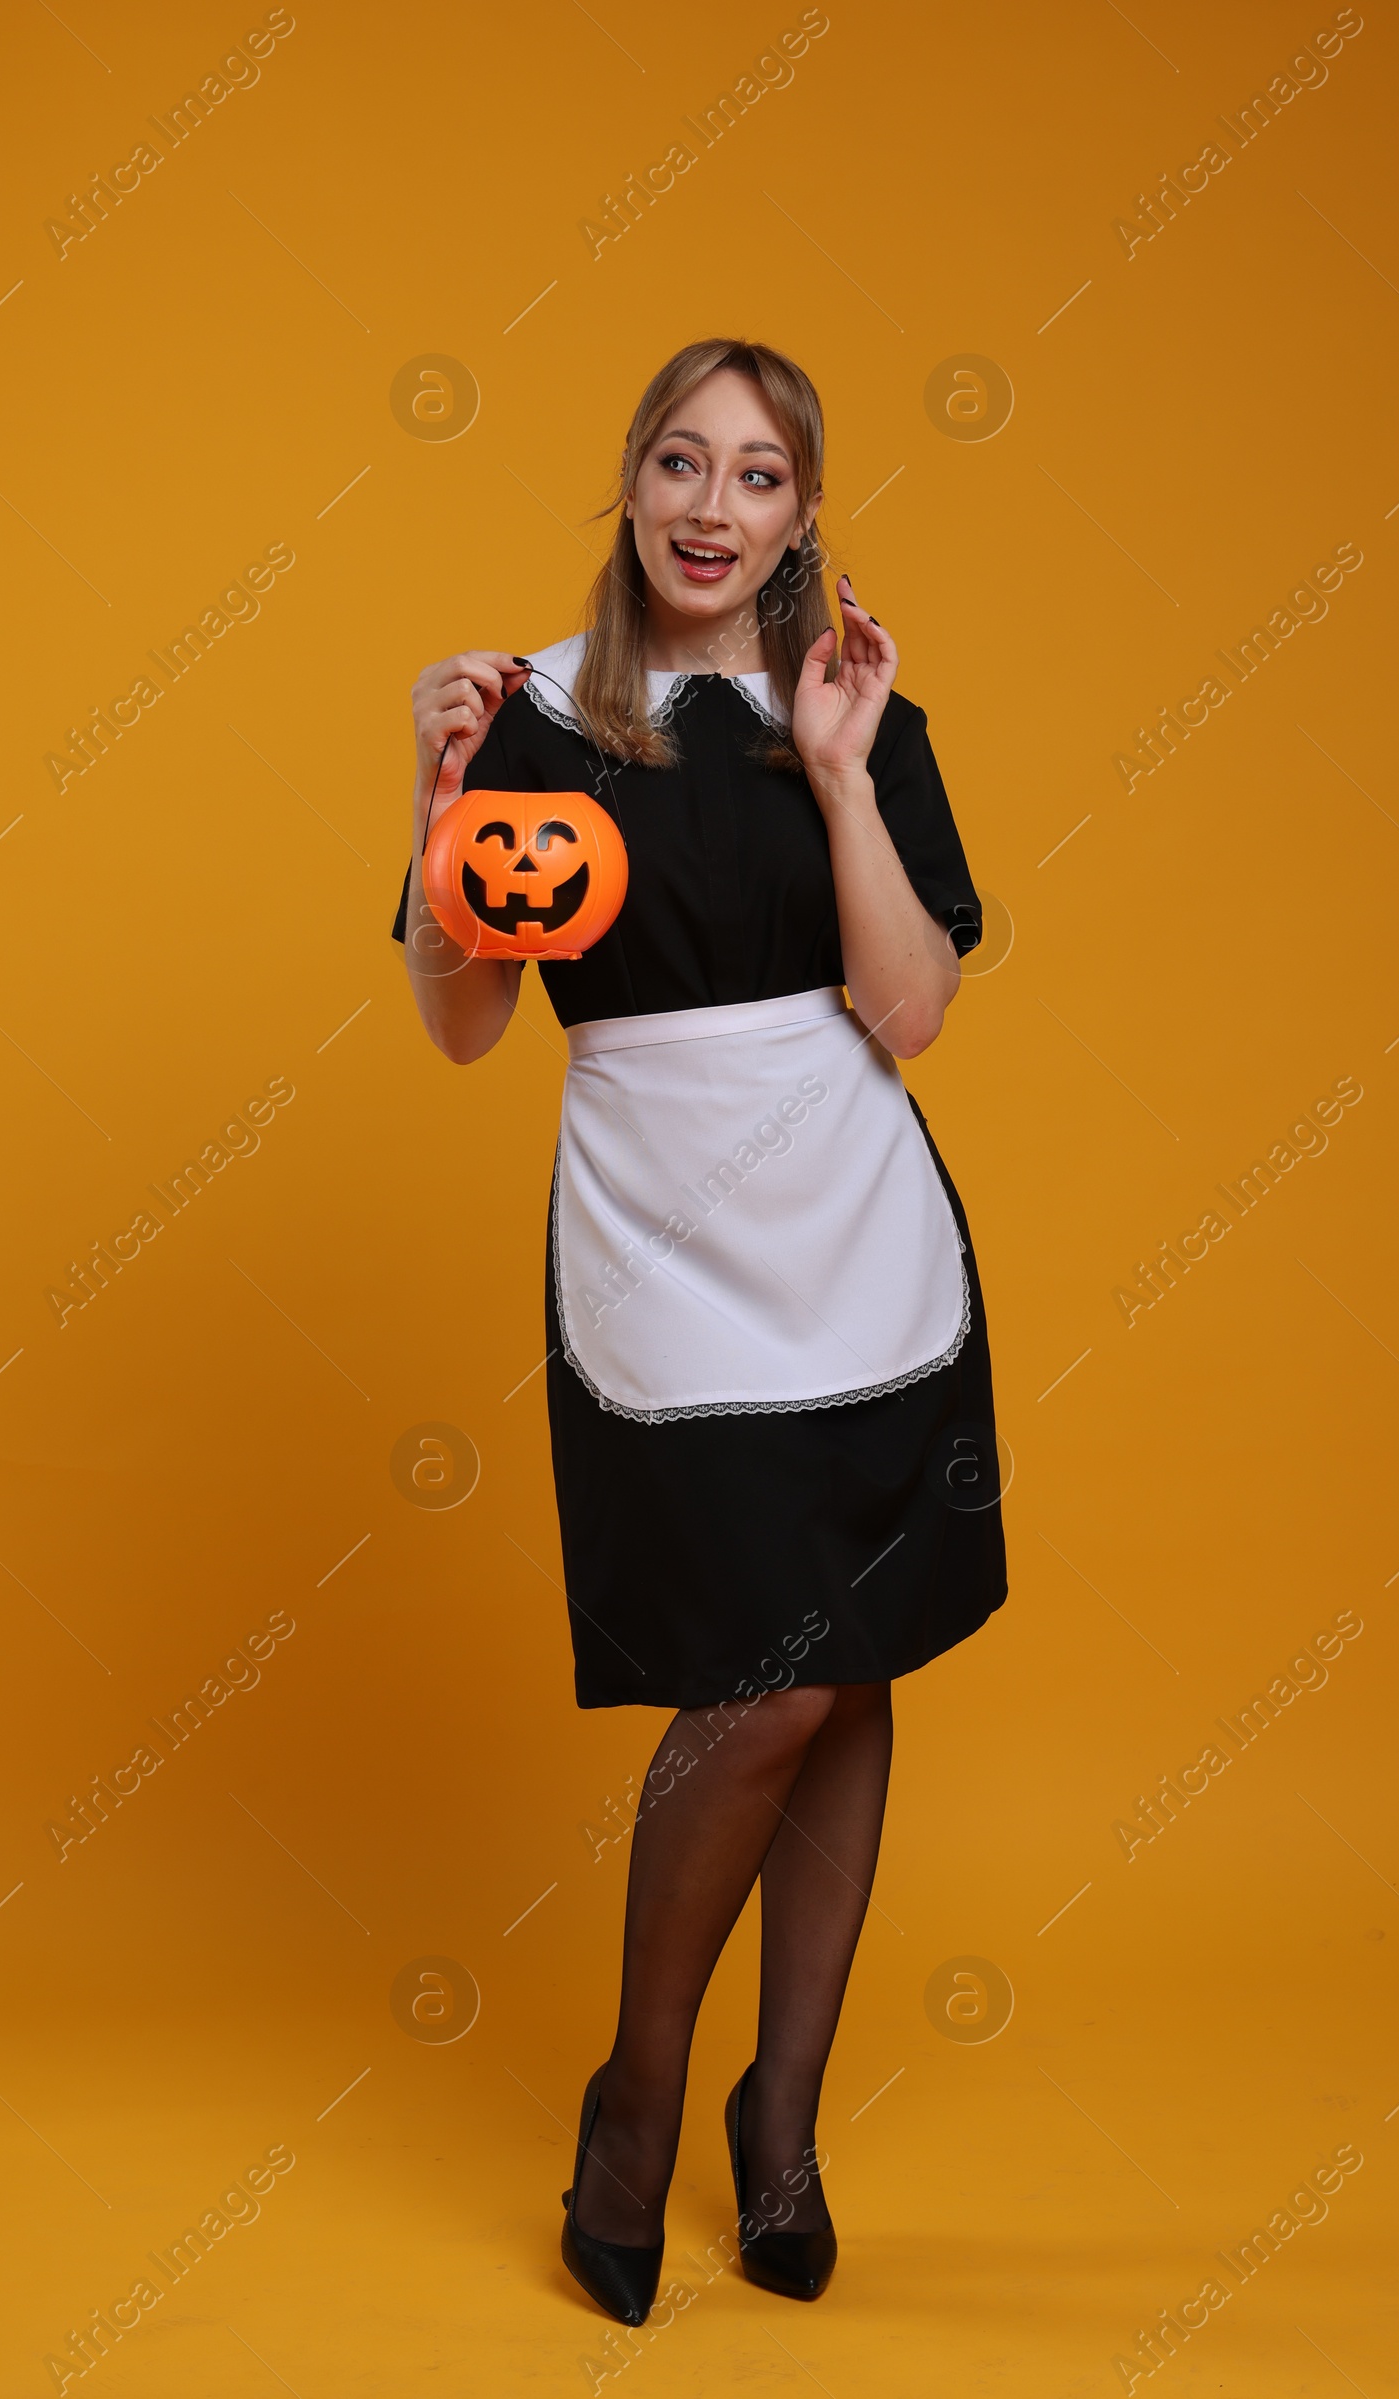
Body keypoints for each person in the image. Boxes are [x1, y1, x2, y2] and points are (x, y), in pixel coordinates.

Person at [392, 337, 1007, 2325]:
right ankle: (637, 2102)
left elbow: (906, 1010)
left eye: (755, 477)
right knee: (761, 1677)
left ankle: (785, 2125)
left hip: (861, 1242)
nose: (708, 507)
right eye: (678, 461)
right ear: (630, 484)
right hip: (657, 1246)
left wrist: (836, 770)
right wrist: (430, 796)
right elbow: (464, 1019)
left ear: (800, 515)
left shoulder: (852, 711)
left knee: (848, 1667)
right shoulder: (537, 718)